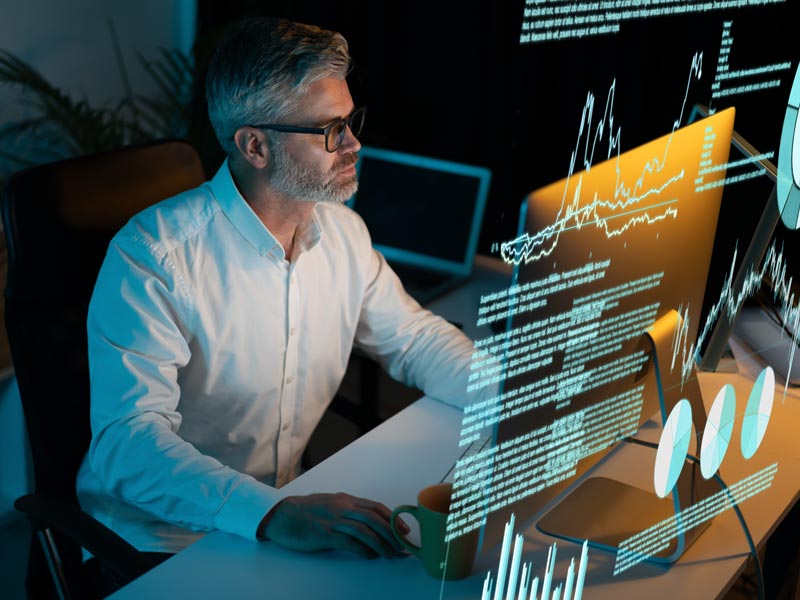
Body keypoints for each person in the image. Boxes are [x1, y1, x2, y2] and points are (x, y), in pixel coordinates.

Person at [76, 15, 484, 574]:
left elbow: (413, 339)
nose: (354, 144)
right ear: (256, 146)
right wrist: (271, 514)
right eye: (331, 130)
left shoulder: (343, 232)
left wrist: (519, 394)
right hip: (162, 543)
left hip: (287, 517)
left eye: (351, 121)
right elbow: (127, 444)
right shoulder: (153, 258)